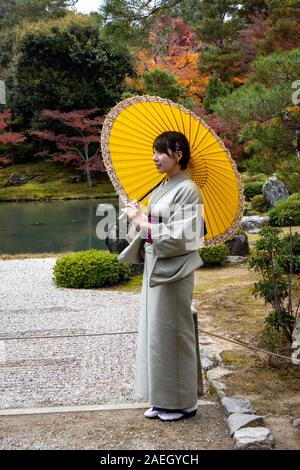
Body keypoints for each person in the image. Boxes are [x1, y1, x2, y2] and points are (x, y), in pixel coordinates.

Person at [118, 131, 204, 422]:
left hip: (174, 271)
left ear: (178, 154)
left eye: (160, 152)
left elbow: (185, 236)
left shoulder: (189, 189)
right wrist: (137, 215)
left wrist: (142, 222)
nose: (154, 158)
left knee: (174, 332)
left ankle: (184, 402)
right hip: (155, 265)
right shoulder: (161, 187)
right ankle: (163, 398)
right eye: (153, 152)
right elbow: (149, 227)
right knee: (156, 333)